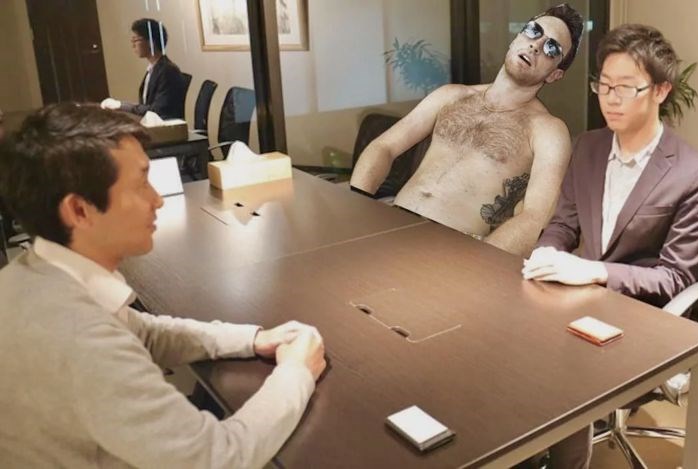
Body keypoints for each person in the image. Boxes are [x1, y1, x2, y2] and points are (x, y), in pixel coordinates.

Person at [0, 103, 327, 467]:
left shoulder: (32, 273)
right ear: (79, 211)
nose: (157, 199)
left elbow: (143, 333)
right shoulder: (80, 339)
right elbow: (218, 458)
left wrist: (253, 339)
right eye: (141, 183)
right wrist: (296, 372)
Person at [522, 23, 698, 465]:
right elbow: (564, 223)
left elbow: (676, 278)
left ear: (661, 91)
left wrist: (594, 271)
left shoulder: (695, 175)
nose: (611, 99)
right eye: (604, 85)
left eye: (626, 88)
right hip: (586, 303)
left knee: (560, 369)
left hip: (647, 317)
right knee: (510, 342)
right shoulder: (589, 148)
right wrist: (547, 251)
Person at [351, 4, 584, 257]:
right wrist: (356, 205)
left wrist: (473, 266)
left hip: (454, 253)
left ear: (554, 75)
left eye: (552, 48)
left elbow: (536, 219)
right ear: (516, 38)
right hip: (391, 227)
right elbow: (384, 146)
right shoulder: (450, 96)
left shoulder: (548, 131)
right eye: (533, 31)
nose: (536, 45)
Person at [102, 18, 187, 119]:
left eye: (136, 40)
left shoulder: (168, 71)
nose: (133, 45)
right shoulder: (155, 68)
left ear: (151, 42)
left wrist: (121, 106)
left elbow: (157, 111)